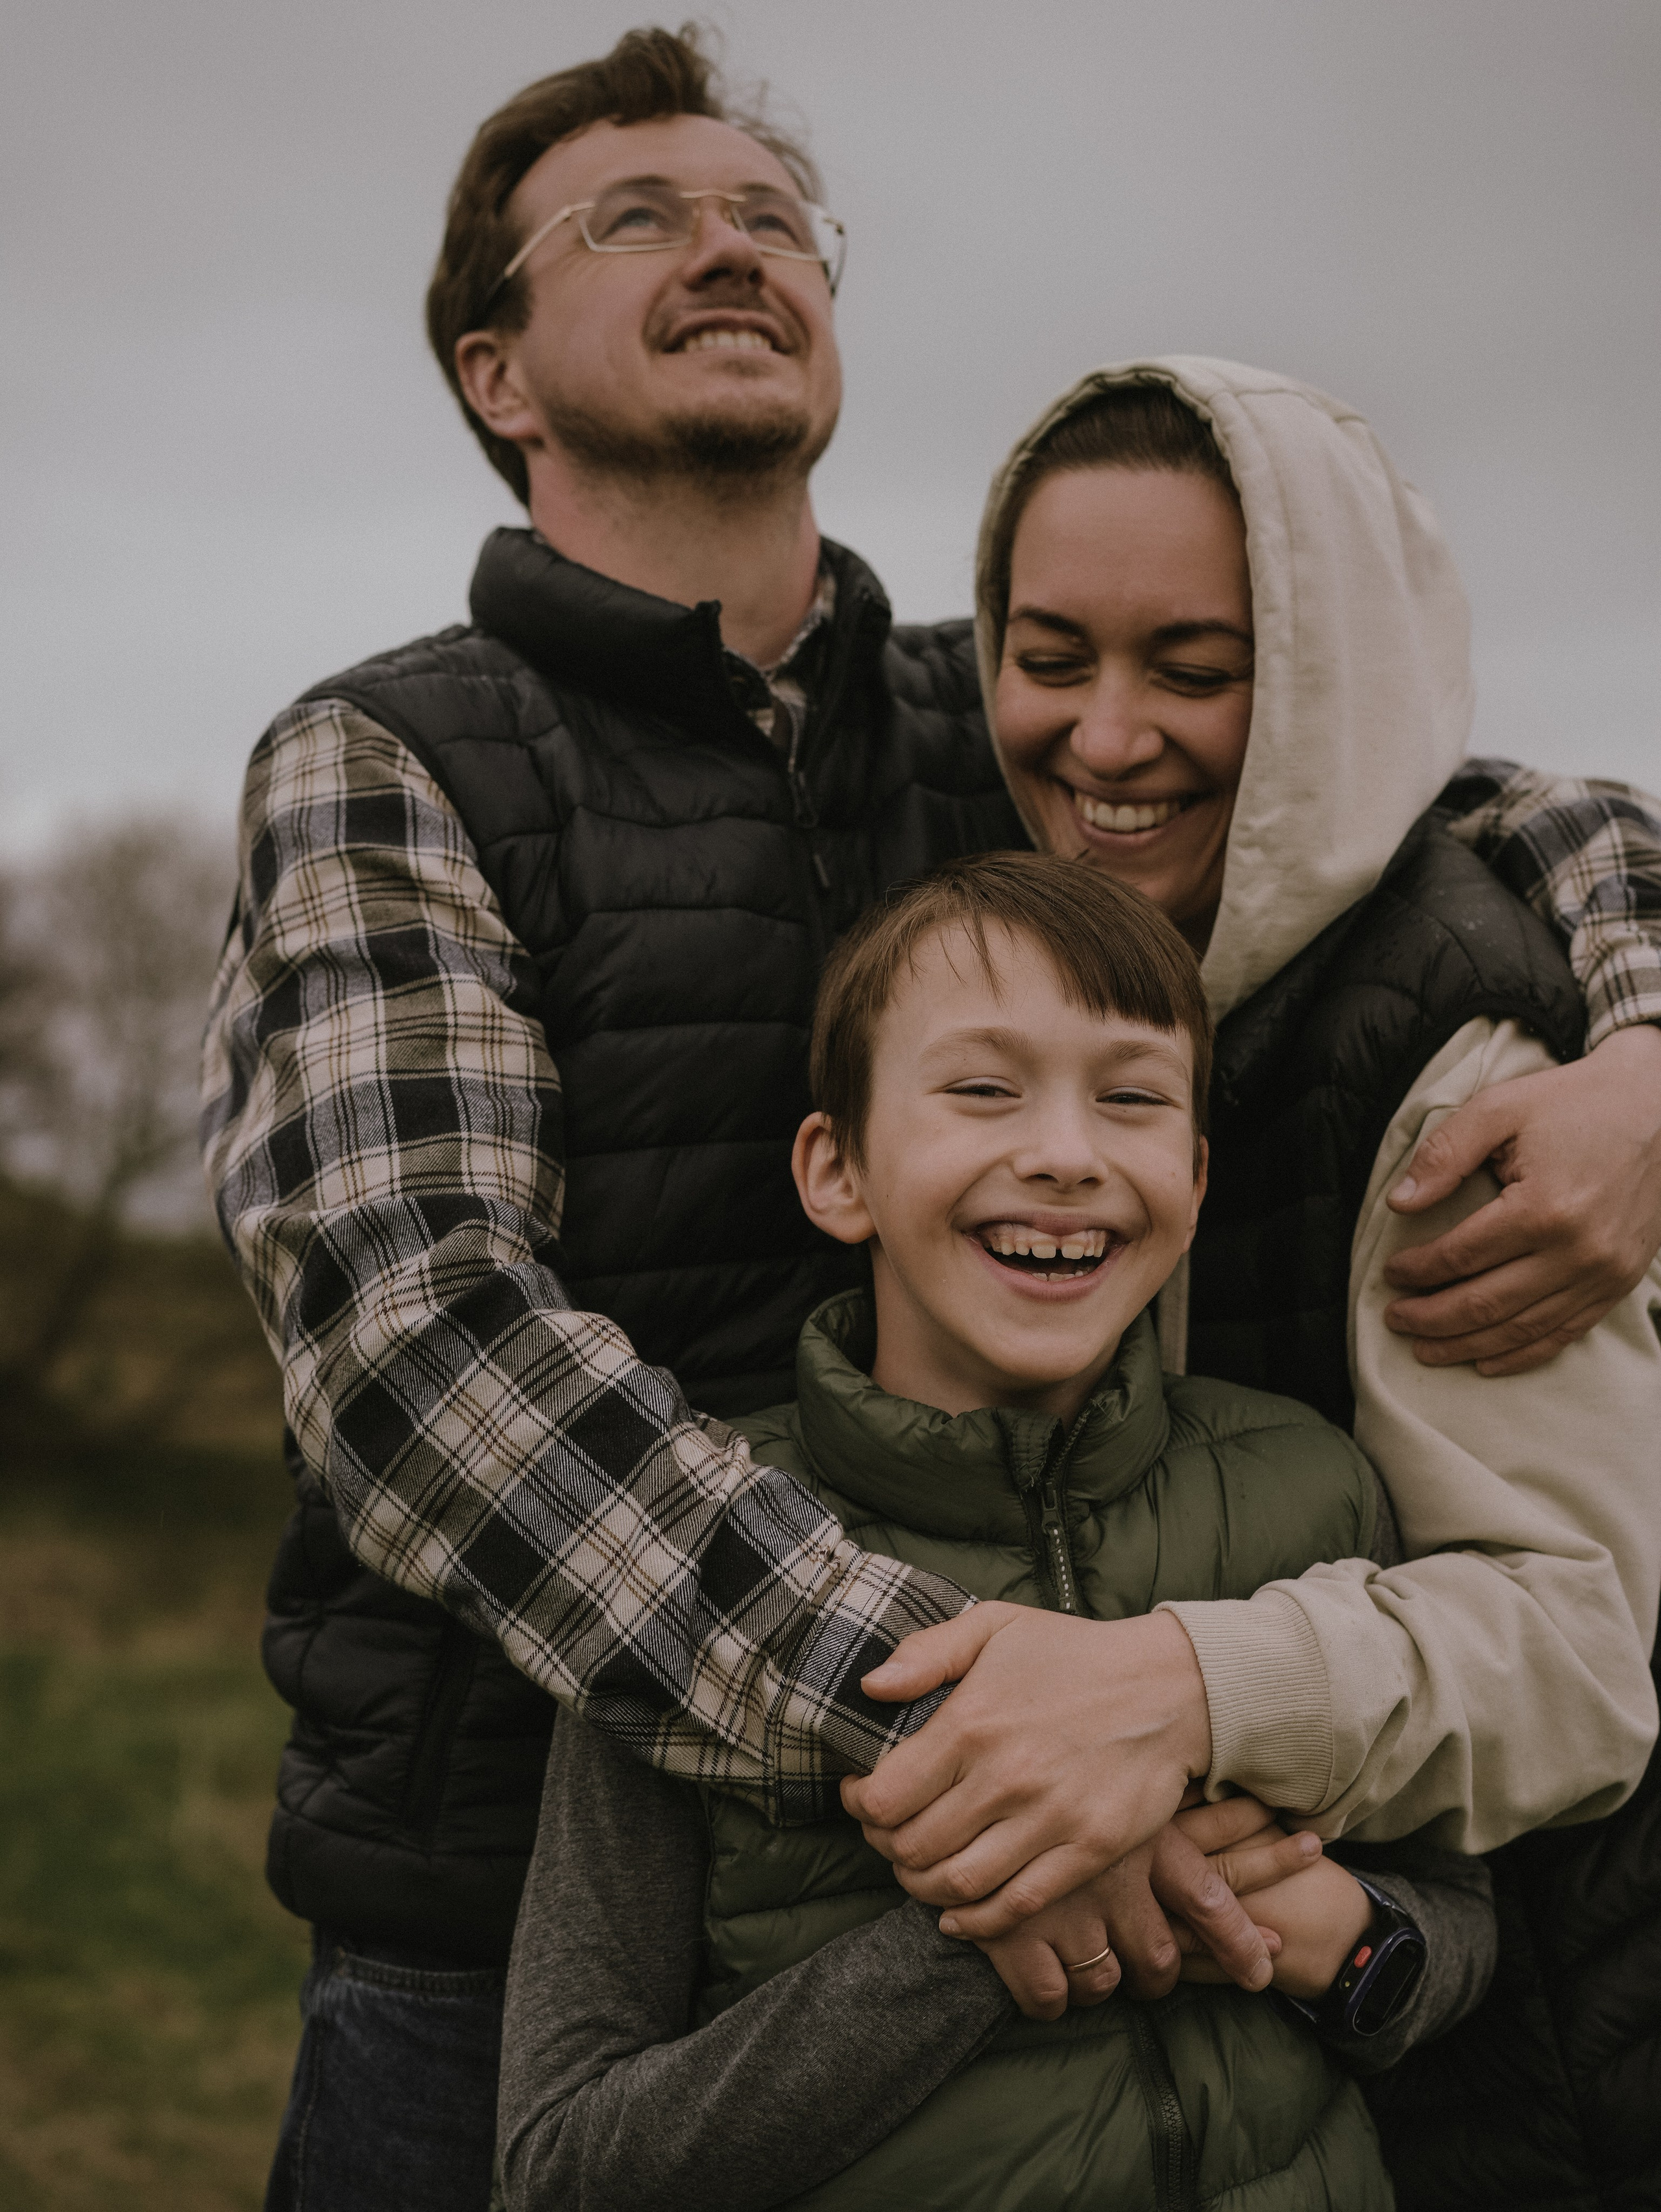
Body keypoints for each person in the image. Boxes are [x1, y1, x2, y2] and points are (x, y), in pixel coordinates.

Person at [199, 25, 1661, 2209]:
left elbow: (1438, 786)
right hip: (508, 1908)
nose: (733, 246)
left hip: (1101, 1856)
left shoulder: (999, 723)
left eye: (777, 216)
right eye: (643, 216)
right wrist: (976, 1734)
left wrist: (1650, 1038)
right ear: (497, 369)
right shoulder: (398, 762)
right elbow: (418, 1341)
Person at [837, 359, 1661, 2206]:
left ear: (1322, 680)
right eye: (1051, 657)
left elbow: (1580, 1657)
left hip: (1516, 2071)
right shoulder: (1098, 966)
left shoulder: (1464, 1061)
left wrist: (1182, 1687)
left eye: (1195, 669)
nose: (1107, 737)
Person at [498, 852, 1497, 2212]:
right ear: (836, 1168)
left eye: (1131, 1098)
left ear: (1195, 1180)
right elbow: (564, 2165)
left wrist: (1347, 1944)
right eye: (981, 1088)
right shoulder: (694, 1547)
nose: (1065, 1154)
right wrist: (990, 1925)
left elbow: (1452, 1921)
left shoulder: (1312, 1486)